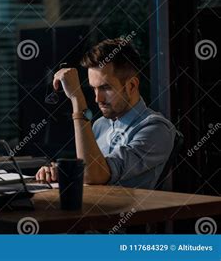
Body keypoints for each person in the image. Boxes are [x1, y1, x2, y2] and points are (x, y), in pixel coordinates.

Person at [35, 38, 175, 189]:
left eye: (105, 88)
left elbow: (94, 175)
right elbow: (87, 172)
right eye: (94, 89)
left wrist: (77, 98)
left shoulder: (157, 129)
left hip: (127, 211)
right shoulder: (100, 125)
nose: (97, 99)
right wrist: (61, 171)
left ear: (132, 86)